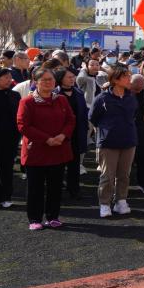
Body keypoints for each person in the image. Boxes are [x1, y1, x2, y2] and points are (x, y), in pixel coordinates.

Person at [17, 68, 75, 230]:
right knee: (35, 188)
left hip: (58, 149)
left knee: (55, 187)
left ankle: (52, 216)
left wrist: (62, 135)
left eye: (51, 79)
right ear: (36, 82)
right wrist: (47, 139)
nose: (49, 82)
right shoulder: (27, 102)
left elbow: (71, 120)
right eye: (44, 79)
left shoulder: (61, 100)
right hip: (36, 151)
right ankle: (34, 219)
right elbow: (23, 126)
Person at [88, 65, 138, 218]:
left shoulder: (131, 97)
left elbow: (134, 114)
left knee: (124, 175)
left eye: (129, 76)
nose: (129, 79)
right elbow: (93, 117)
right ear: (115, 79)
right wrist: (107, 129)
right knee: (107, 176)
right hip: (108, 142)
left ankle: (121, 200)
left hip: (128, 141)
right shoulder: (102, 98)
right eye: (126, 76)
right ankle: (104, 203)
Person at [55, 67, 88, 199]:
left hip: (76, 133)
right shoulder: (54, 93)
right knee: (58, 164)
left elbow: (83, 113)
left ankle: (74, 189)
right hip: (59, 133)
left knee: (74, 163)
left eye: (73, 77)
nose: (72, 79)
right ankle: (56, 189)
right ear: (60, 78)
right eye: (69, 77)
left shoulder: (78, 92)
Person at [0, 67, 21, 208]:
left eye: (10, 77)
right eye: (5, 77)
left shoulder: (14, 95)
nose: (9, 80)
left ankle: (6, 196)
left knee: (7, 169)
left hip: (10, 138)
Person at [131, 73, 144, 194]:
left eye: (141, 87)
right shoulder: (125, 92)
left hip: (141, 127)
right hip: (127, 128)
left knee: (143, 156)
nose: (138, 90)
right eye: (136, 88)